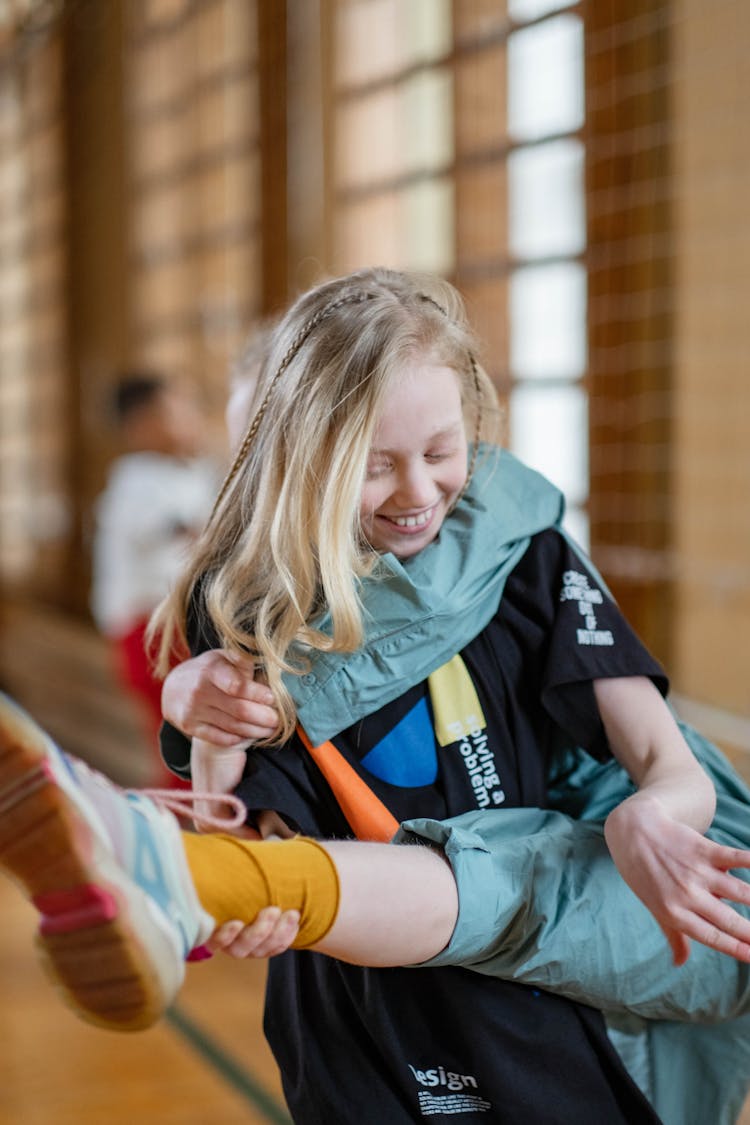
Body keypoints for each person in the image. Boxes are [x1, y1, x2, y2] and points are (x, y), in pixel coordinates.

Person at [3, 268, 750, 1122]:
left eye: (441, 453)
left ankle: (172, 872)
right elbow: (242, 820)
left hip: (531, 1006)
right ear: (301, 459)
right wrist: (203, 718)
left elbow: (666, 759)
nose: (420, 492)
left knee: (516, 869)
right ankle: (168, 874)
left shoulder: (527, 557)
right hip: (363, 1023)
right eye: (376, 466)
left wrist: (655, 809)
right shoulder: (254, 609)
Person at [90, 372, 219, 784]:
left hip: (181, 624)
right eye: (175, 410)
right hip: (149, 630)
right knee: (181, 733)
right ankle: (182, 819)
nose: (190, 418)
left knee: (193, 732)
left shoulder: (192, 472)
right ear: (141, 426)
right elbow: (151, 526)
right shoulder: (132, 478)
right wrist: (197, 527)